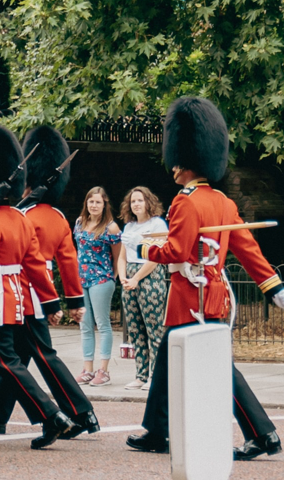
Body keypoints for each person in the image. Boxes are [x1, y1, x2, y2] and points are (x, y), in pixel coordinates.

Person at [128, 97, 284, 460]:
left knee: (217, 367)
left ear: (181, 164)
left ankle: (262, 433)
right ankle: (156, 430)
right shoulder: (223, 202)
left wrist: (143, 250)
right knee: (167, 361)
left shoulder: (185, 202)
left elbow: (177, 253)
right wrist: (273, 287)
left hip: (189, 298)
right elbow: (248, 251)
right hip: (216, 294)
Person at [0, 124, 75, 450]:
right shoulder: (20, 218)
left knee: (7, 362)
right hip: (14, 299)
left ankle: (52, 415)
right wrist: (51, 303)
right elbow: (35, 266)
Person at [0, 125, 98, 440]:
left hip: (19, 292)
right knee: (18, 356)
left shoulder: (20, 216)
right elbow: (68, 263)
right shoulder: (57, 218)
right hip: (38, 293)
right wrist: (72, 300)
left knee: (38, 354)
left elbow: (24, 261)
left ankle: (79, 412)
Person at [116, 186, 168, 390]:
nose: (136, 204)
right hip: (129, 277)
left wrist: (137, 277)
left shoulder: (158, 224)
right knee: (135, 330)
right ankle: (141, 374)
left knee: (153, 328)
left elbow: (156, 257)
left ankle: (156, 375)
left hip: (149, 276)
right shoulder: (128, 226)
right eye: (133, 201)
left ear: (148, 202)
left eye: (140, 200)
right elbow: (122, 255)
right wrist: (123, 277)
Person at [73, 186, 120, 386]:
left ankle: (104, 370)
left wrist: (114, 276)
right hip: (81, 279)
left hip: (101, 279)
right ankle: (88, 369)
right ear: (86, 203)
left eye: (98, 202)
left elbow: (119, 255)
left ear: (104, 204)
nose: (94, 205)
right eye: (91, 201)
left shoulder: (111, 227)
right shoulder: (79, 223)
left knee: (102, 324)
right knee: (85, 325)